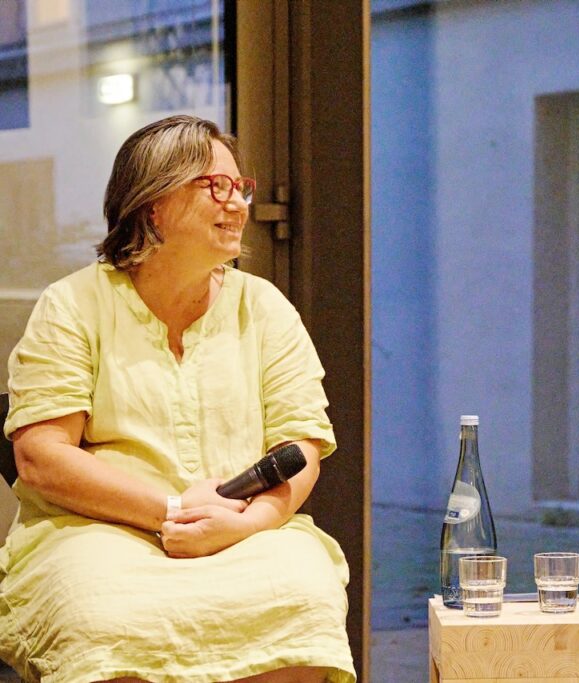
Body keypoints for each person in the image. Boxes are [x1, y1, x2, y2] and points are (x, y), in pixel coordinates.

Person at [0, 115, 355, 682]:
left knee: (301, 600)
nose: (236, 203)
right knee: (102, 617)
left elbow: (301, 447)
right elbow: (41, 457)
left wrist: (246, 524)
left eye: (240, 188)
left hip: (243, 528)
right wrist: (170, 512)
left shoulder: (263, 308)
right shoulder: (71, 305)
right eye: (215, 186)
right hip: (99, 531)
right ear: (151, 204)